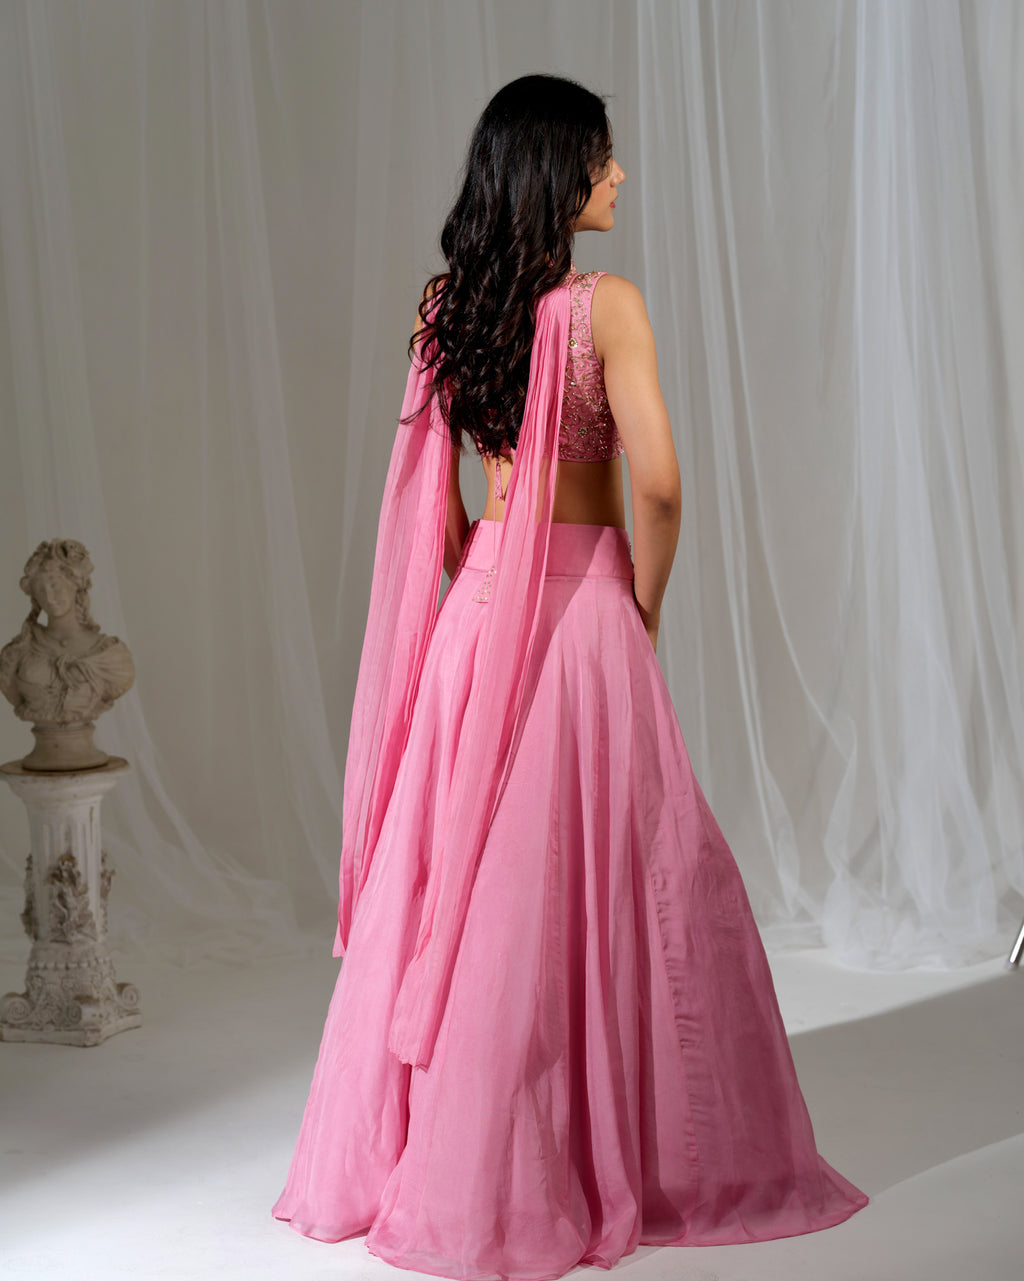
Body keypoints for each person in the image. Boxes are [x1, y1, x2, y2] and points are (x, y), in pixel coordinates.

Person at [273, 74, 867, 1279]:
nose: (620, 176)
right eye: (602, 158)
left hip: (476, 624)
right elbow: (657, 484)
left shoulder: (449, 308)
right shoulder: (603, 307)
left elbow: (433, 521)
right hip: (583, 613)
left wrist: (484, 590)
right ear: (556, 169)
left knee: (469, 886)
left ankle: (437, 1159)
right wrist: (632, 604)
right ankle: (612, 1157)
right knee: (606, 877)